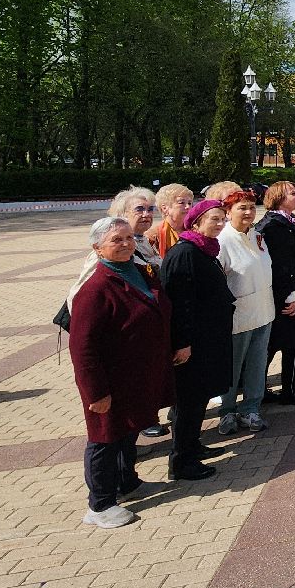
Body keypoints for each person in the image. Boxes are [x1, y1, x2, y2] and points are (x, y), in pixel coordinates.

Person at [70, 217, 175, 528]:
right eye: (117, 240)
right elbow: (83, 349)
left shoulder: (140, 270)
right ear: (97, 248)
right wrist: (96, 393)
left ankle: (127, 483)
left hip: (137, 374)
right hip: (109, 380)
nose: (127, 244)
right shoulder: (96, 288)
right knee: (105, 438)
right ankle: (100, 504)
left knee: (129, 429)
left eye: (129, 237)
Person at [159, 199, 235, 482]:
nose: (220, 224)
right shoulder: (185, 253)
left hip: (208, 338)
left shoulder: (205, 249)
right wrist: (182, 342)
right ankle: (181, 461)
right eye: (214, 218)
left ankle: (192, 445)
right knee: (188, 401)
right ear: (196, 222)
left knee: (199, 397)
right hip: (192, 343)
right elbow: (178, 302)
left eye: (222, 219)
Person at [213, 185, 275, 435]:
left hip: (263, 311)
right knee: (232, 367)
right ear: (228, 212)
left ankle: (251, 408)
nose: (249, 212)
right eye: (242, 208)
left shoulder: (257, 236)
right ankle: (227, 411)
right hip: (238, 316)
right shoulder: (222, 240)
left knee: (257, 365)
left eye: (251, 207)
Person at [257, 181, 295, 403]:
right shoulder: (273, 226)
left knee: (282, 345)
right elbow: (281, 265)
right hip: (285, 297)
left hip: (294, 294)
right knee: (284, 345)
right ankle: (287, 391)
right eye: (293, 193)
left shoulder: (289, 222)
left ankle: (271, 389)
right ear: (279, 197)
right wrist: (289, 295)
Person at [151, 183, 194, 261]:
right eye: (181, 203)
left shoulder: (196, 231)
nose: (188, 207)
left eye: (190, 203)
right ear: (165, 208)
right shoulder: (153, 236)